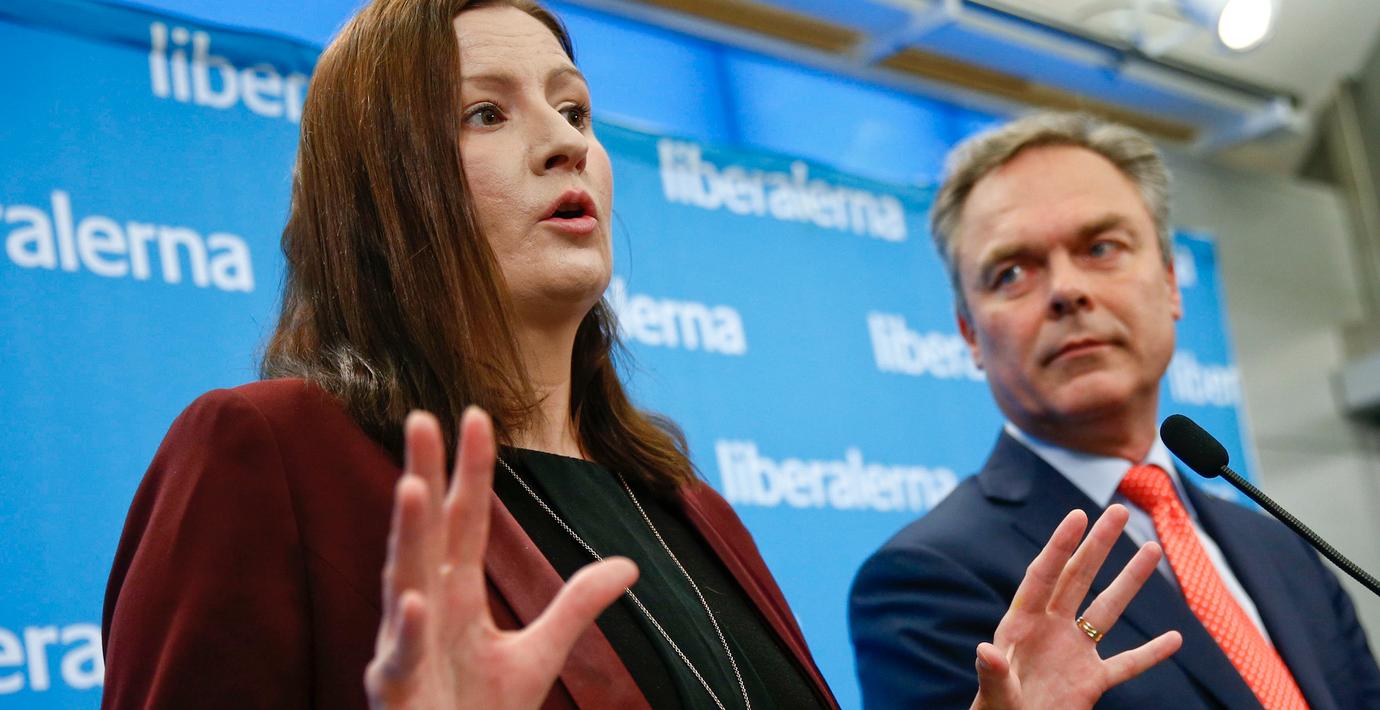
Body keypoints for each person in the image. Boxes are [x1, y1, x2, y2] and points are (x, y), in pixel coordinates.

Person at [102, 3, 1179, 708]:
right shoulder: (270, 454)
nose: (565, 141)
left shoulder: (687, 505)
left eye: (574, 107)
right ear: (378, 189)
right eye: (485, 113)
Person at [849, 111, 1380, 709]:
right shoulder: (925, 581)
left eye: (1101, 248)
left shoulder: (1280, 548)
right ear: (970, 333)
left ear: (1172, 284)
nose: (1066, 291)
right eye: (1012, 272)